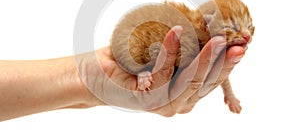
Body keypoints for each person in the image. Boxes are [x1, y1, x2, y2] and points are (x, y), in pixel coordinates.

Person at [0, 26, 245, 121]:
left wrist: (229, 95)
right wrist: (138, 72)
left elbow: (221, 75)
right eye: (234, 27)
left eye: (249, 27)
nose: (246, 36)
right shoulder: (187, 38)